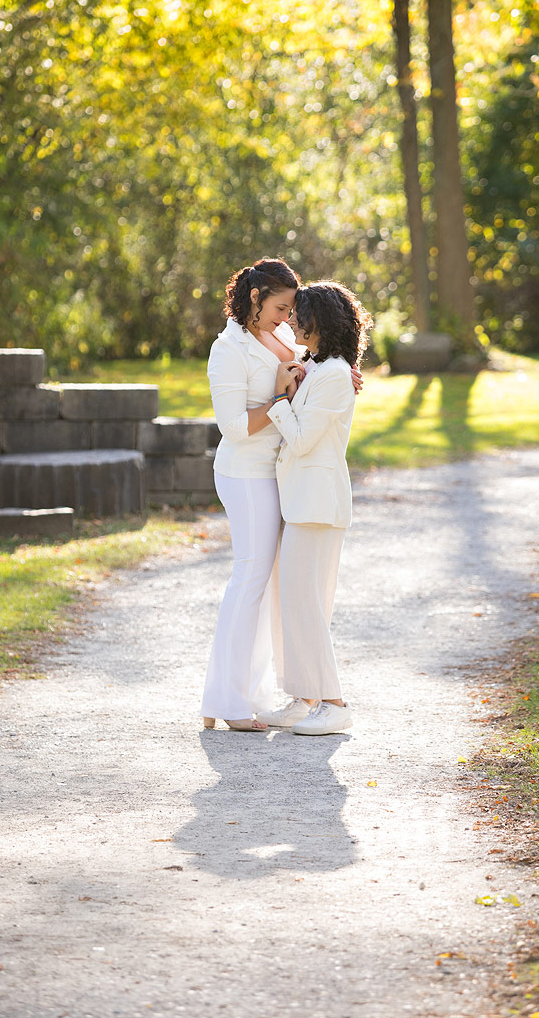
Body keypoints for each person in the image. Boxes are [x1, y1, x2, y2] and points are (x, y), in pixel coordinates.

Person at [200, 260, 362, 732]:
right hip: (248, 473)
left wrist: (343, 374)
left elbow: (317, 375)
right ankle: (227, 699)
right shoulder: (228, 348)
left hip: (285, 476)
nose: (288, 318)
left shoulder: (289, 342)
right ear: (255, 298)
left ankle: (276, 694)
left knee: (280, 591)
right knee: (252, 579)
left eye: (293, 310)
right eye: (280, 307)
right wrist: (277, 399)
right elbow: (232, 426)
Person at [261, 281, 373, 736]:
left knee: (306, 604)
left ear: (319, 321)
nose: (290, 321)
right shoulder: (317, 366)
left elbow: (304, 439)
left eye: (298, 314)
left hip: (317, 503)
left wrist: (278, 401)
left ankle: (335, 702)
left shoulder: (333, 375)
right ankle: (303, 697)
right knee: (291, 602)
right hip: (302, 501)